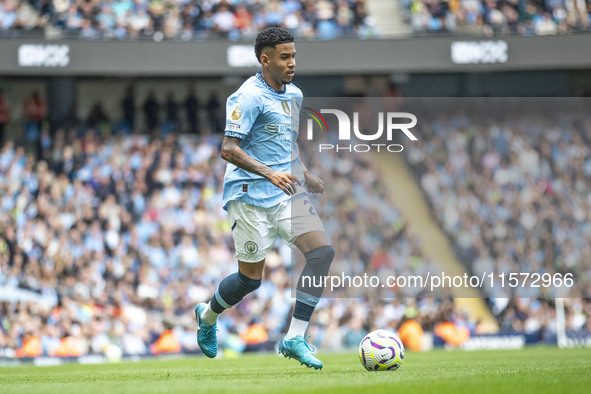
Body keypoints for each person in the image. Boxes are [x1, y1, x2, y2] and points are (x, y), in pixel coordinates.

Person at [194, 27, 334, 370]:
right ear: (265, 59)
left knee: (321, 253)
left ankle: (294, 337)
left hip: (286, 191)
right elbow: (228, 149)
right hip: (249, 195)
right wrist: (270, 173)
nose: (292, 63)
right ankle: (207, 315)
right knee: (249, 281)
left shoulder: (295, 95)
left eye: (294, 56)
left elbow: (284, 145)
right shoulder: (247, 97)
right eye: (285, 57)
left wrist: (303, 173)